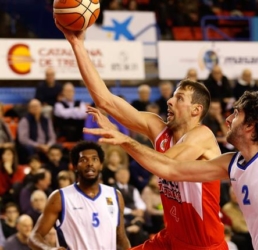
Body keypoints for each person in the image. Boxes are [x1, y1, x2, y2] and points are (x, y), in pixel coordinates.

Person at [84, 90, 258, 250]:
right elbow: (171, 169)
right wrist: (127, 140)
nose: (227, 119)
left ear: (251, 125)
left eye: (235, 114)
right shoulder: (232, 163)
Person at [56, 21, 227, 250]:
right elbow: (106, 101)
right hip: (171, 238)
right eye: (172, 96)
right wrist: (77, 44)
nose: (169, 100)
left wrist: (125, 139)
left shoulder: (203, 135)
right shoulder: (158, 127)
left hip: (203, 245)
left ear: (196, 110)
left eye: (179, 98)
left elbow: (167, 165)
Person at [28, 141, 130, 250]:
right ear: (75, 166)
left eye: (94, 159)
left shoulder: (115, 195)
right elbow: (34, 236)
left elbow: (121, 238)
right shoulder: (60, 197)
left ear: (100, 165)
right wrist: (49, 249)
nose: (90, 163)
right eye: (83, 160)